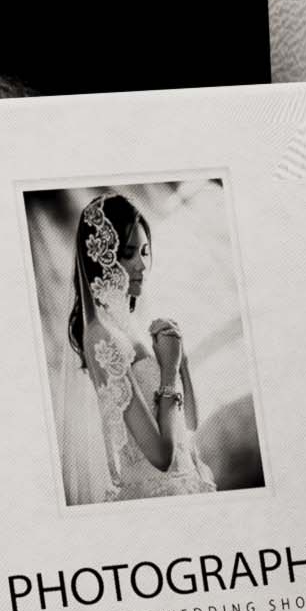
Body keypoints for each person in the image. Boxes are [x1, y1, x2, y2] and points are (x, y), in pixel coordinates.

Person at [67, 194, 214, 500]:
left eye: (145, 252)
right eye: (129, 253)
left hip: (185, 484)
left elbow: (189, 424)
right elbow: (161, 458)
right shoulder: (101, 336)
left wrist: (180, 358)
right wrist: (170, 369)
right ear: (102, 257)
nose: (141, 265)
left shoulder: (130, 326)